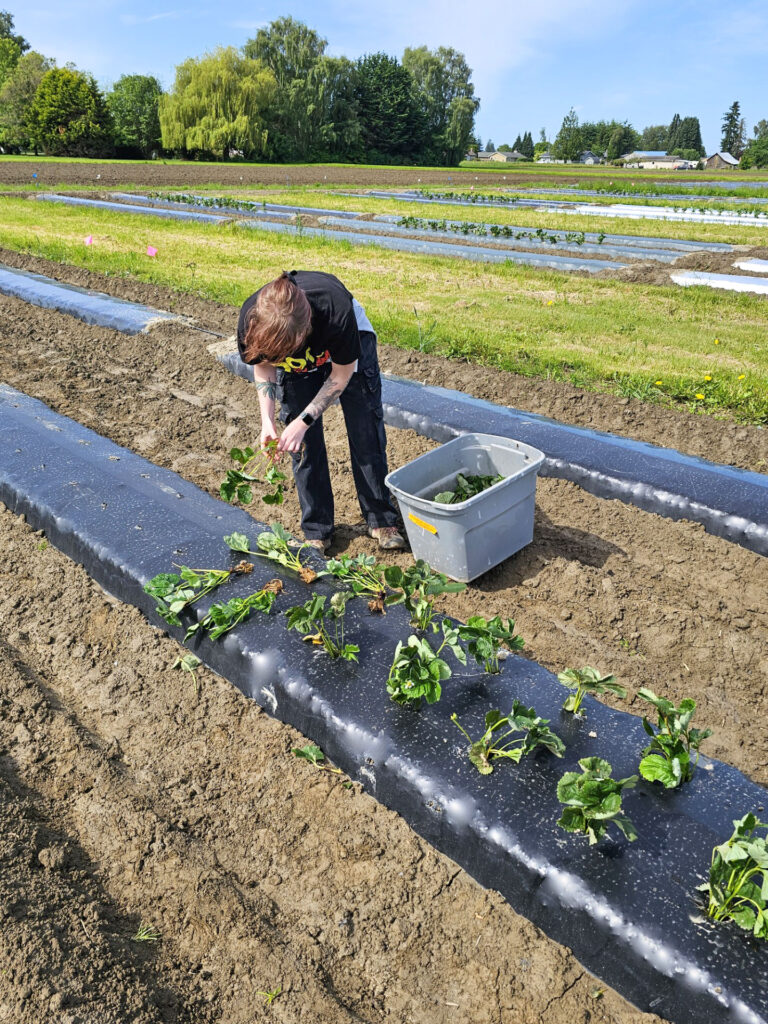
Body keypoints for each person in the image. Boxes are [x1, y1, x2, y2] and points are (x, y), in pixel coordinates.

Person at [237, 270, 406, 552]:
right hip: (302, 364)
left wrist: (304, 420)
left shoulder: (335, 312)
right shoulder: (251, 323)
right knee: (301, 446)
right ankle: (317, 529)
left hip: (348, 350)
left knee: (365, 430)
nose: (282, 360)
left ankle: (381, 519)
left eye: (287, 352)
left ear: (305, 333)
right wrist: (267, 422)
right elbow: (263, 365)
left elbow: (341, 376)